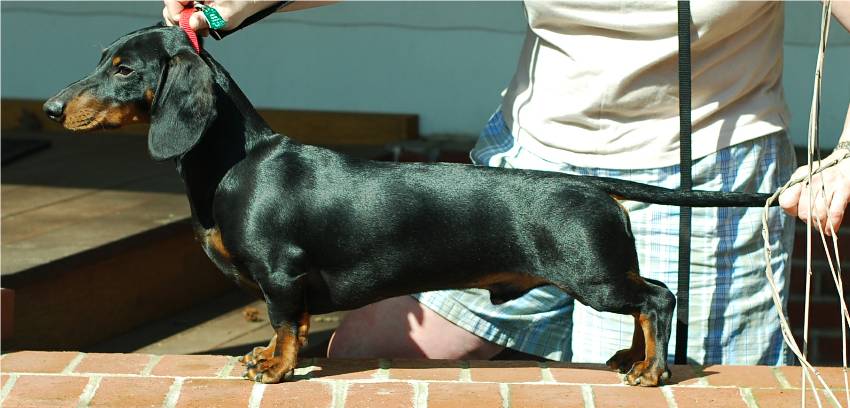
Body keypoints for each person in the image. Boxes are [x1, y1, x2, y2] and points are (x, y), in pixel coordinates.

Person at [164, 0, 850, 365]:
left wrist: (848, 151)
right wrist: (244, 0)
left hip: (691, 172)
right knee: (372, 350)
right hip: (526, 163)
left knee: (630, 381)